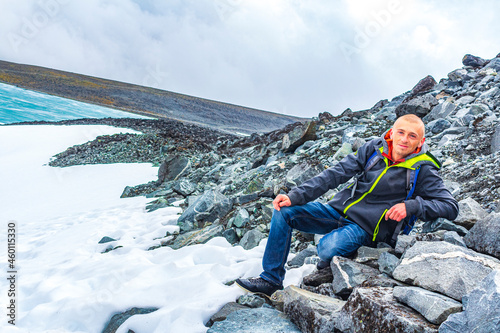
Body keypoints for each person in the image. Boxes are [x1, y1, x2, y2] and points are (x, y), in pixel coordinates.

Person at [235, 114, 459, 297]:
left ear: (420, 142)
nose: (405, 139)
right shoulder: (374, 149)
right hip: (338, 212)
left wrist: (412, 207)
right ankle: (270, 280)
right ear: (391, 133)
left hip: (368, 229)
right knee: (284, 211)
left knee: (325, 248)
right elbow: (336, 173)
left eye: (412, 136)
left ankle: (347, 250)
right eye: (401, 132)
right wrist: (296, 196)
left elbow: (450, 206)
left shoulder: (423, 170)